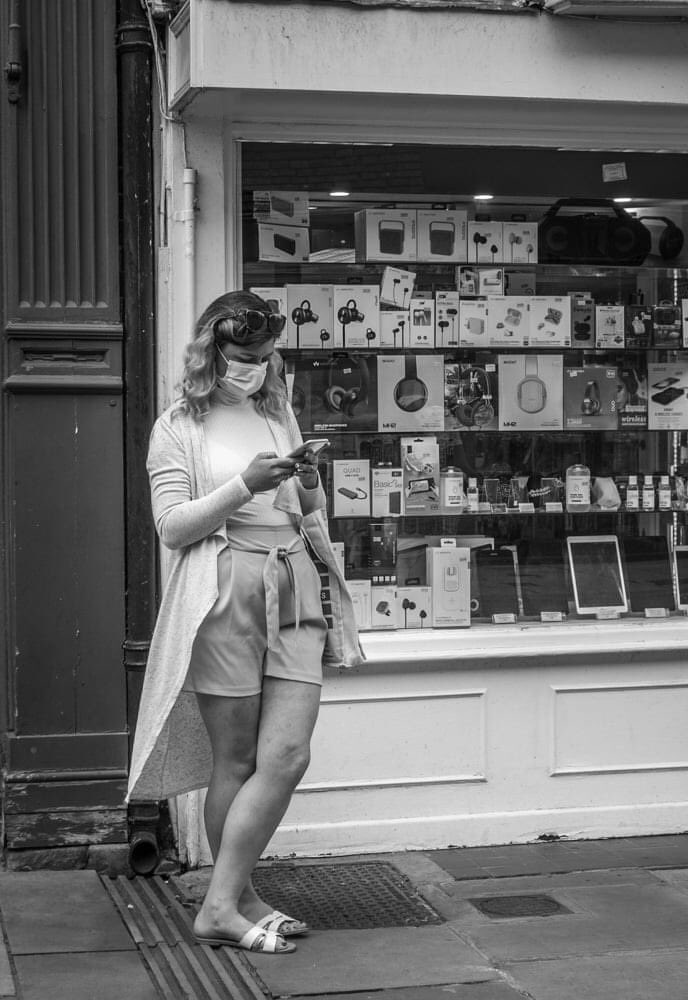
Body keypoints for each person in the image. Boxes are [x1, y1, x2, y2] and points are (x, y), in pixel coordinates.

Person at [126, 290, 364, 955]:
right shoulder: (178, 425)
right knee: (235, 758)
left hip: (293, 580)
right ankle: (234, 900)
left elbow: (306, 505)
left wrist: (307, 477)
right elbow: (172, 529)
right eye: (242, 357)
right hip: (225, 589)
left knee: (287, 753)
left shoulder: (276, 408)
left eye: (263, 357)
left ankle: (224, 903)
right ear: (213, 352)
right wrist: (244, 486)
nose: (254, 367)